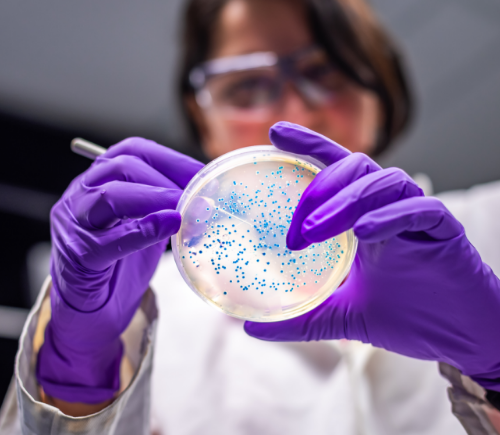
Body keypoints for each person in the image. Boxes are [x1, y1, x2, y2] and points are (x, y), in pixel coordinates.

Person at [1, 0, 500, 433]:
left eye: (324, 72)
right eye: (245, 87)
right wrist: (80, 366)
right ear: (203, 118)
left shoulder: (491, 227)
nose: (292, 109)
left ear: (381, 94)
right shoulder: (166, 304)